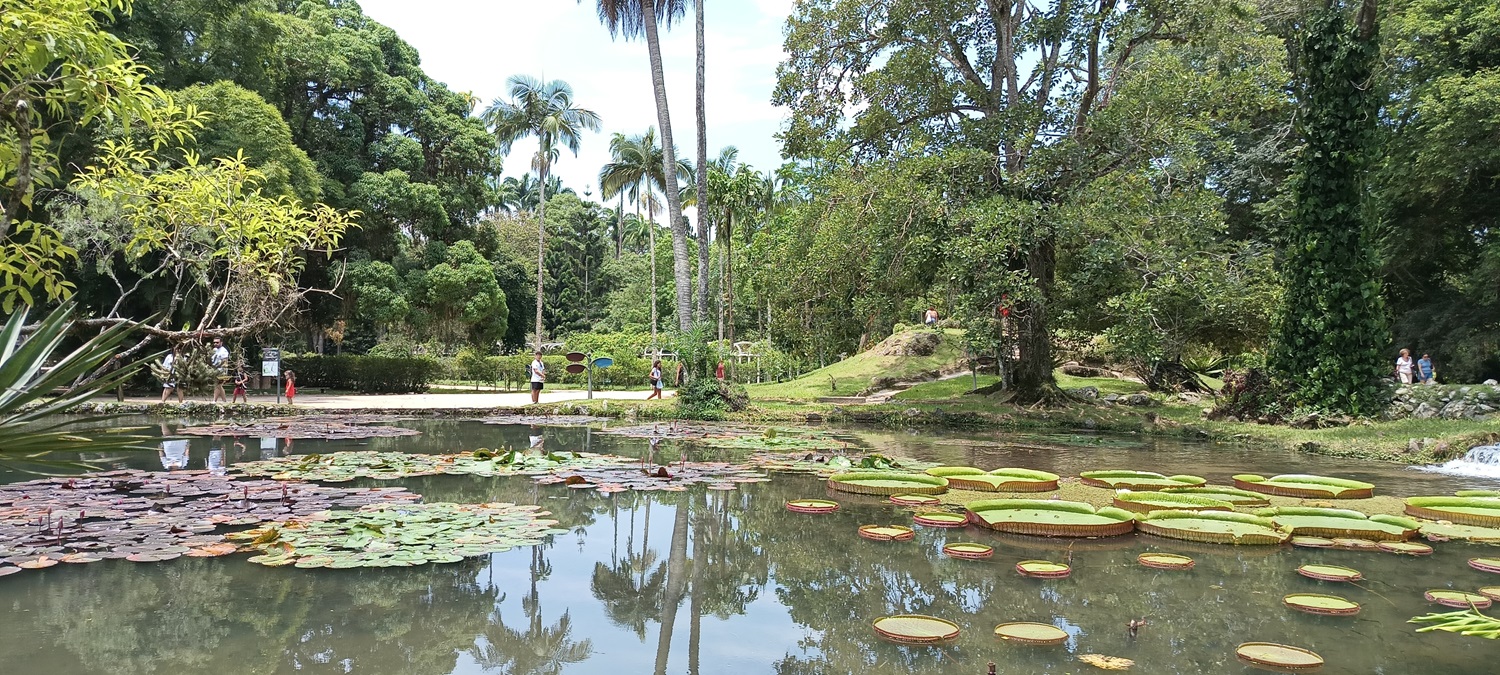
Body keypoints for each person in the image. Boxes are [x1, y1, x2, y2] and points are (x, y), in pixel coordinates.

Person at [210, 338, 230, 402]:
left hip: (221, 371)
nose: (215, 344)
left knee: (217, 385)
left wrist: (224, 373)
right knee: (219, 386)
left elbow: (225, 362)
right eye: (214, 342)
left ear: (221, 342)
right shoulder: (214, 350)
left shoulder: (224, 351)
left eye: (217, 342)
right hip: (214, 370)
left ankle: (214, 401)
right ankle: (224, 400)